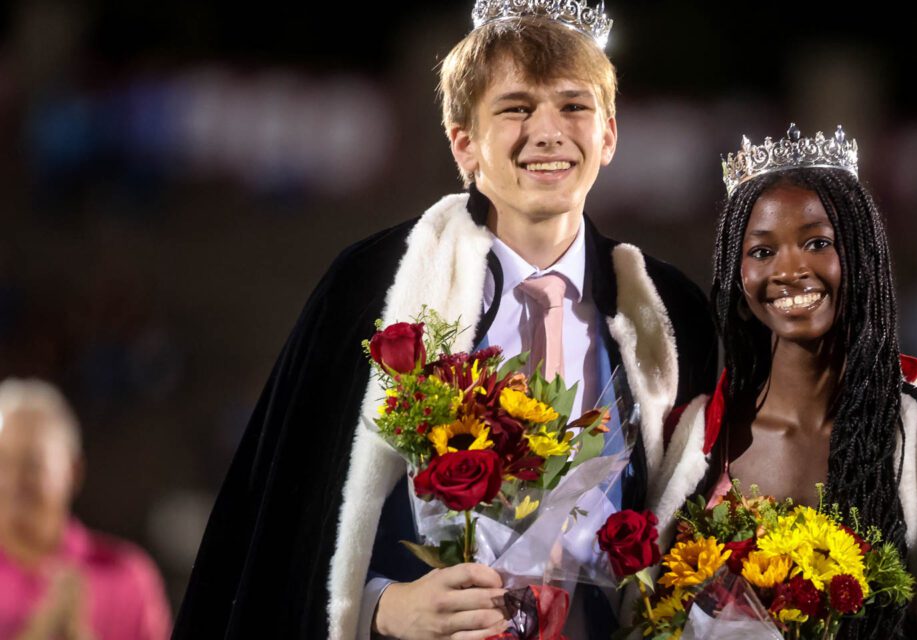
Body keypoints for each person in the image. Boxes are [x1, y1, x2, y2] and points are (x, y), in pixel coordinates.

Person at [175, 2, 717, 639]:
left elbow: (690, 524)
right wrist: (381, 606)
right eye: (516, 108)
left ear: (609, 134)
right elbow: (285, 517)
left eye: (574, 107)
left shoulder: (668, 311)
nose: (548, 132)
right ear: (464, 141)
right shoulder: (375, 285)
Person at [649, 125, 917, 639]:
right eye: (762, 251)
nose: (790, 268)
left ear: (862, 261)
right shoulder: (687, 443)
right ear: (738, 283)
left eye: (817, 243)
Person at [0, 378, 171, 640]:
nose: (12, 480)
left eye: (32, 465)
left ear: (73, 470)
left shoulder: (128, 578)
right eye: (2, 461)